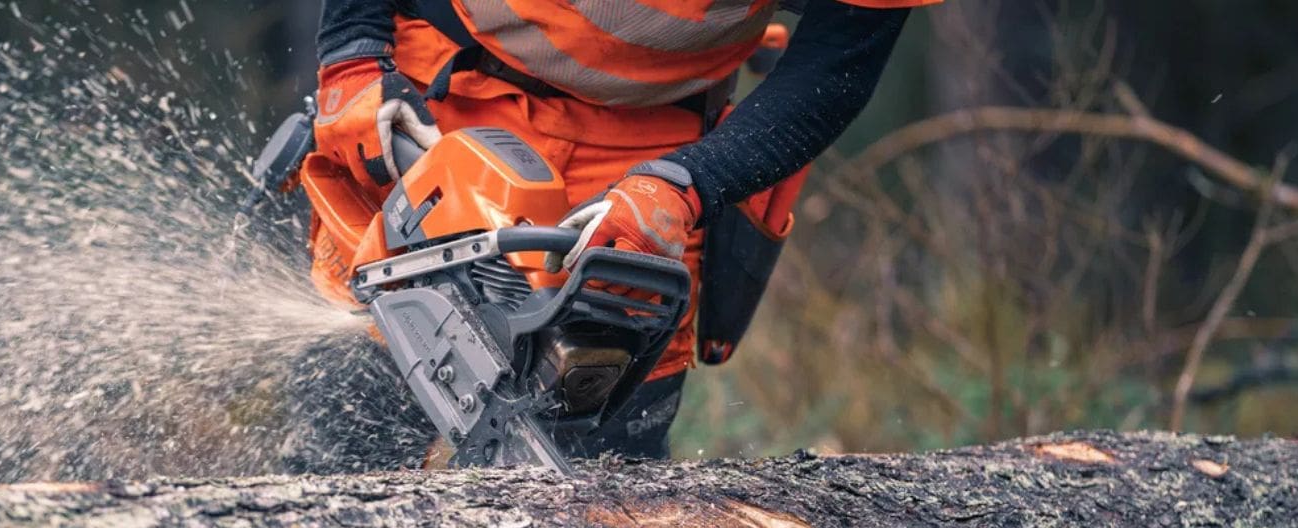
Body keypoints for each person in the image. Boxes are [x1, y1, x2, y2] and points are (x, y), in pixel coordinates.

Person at [309, 0, 936, 459]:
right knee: (351, 430)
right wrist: (352, 54)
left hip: (653, 141)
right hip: (448, 98)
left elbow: (838, 65)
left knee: (603, 477)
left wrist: (685, 185)